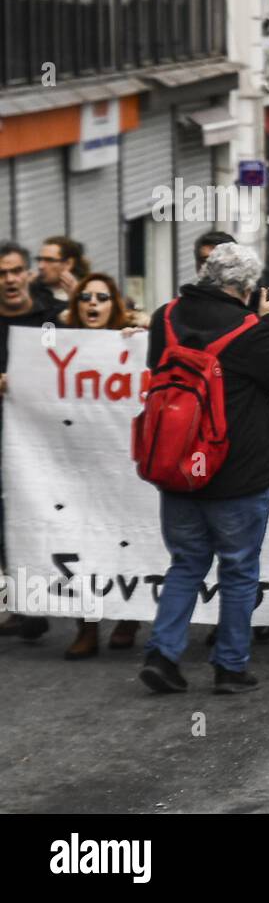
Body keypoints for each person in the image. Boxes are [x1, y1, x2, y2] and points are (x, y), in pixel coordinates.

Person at [139, 243, 269, 696]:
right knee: (237, 570)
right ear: (246, 287)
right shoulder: (250, 330)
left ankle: (163, 654)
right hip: (237, 473)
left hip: (176, 466)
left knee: (186, 564)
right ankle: (229, 666)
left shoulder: (165, 317)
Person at [56, 274, 148, 659]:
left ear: (115, 305)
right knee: (81, 543)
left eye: (102, 297)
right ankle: (87, 625)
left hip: (125, 466)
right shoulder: (56, 348)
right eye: (86, 298)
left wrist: (142, 328)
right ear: (75, 305)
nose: (93, 304)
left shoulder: (133, 342)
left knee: (126, 539)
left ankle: (128, 617)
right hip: (78, 467)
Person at [0, 243, 64, 639]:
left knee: (41, 518)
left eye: (16, 271)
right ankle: (24, 604)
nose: (9, 280)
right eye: (1, 273)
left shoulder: (54, 318)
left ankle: (40, 599)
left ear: (28, 274)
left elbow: (97, 348)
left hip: (46, 441)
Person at [32, 236, 88, 306]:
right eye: (39, 259)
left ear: (68, 264)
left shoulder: (89, 293)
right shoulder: (32, 291)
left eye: (49, 260)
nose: (40, 266)